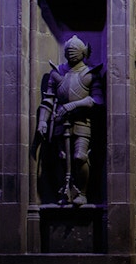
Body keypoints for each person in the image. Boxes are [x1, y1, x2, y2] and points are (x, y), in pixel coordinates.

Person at [34, 35, 104, 206]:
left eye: (75, 51)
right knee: (62, 157)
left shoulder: (89, 74)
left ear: (83, 52)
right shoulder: (57, 73)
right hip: (60, 123)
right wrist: (43, 121)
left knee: (80, 157)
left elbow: (97, 99)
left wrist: (73, 105)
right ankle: (65, 192)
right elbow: (48, 100)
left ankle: (82, 192)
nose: (71, 54)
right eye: (69, 51)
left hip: (82, 123)